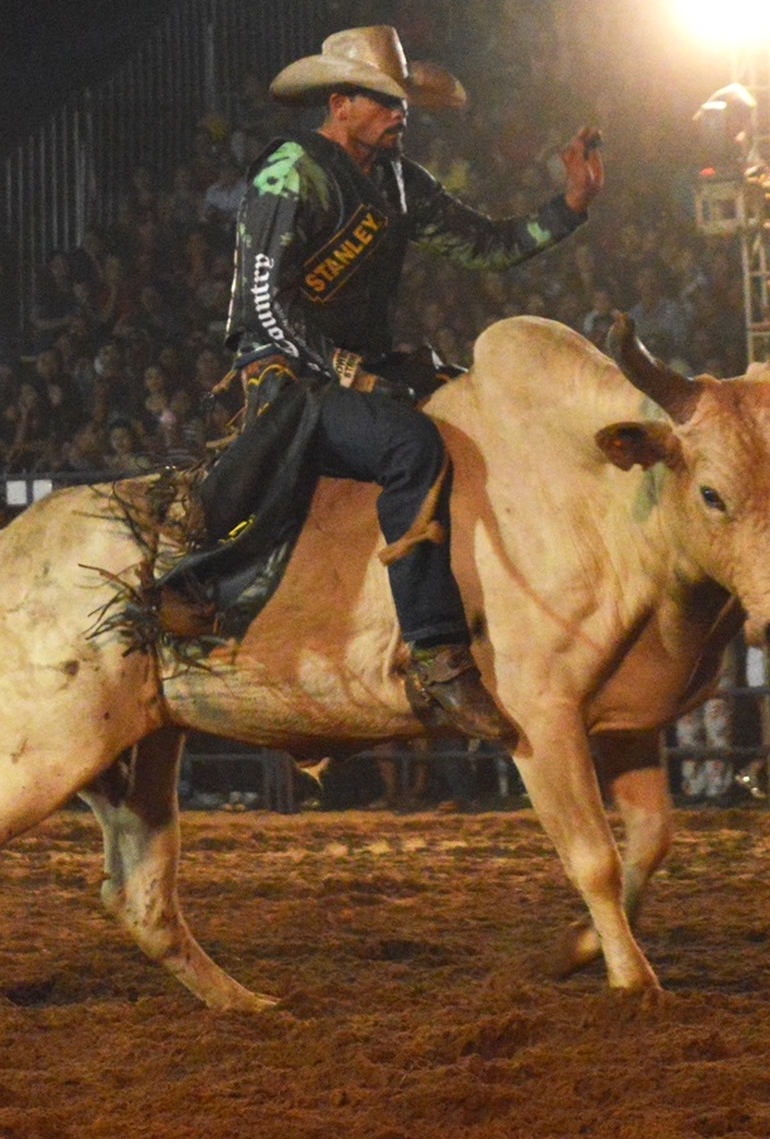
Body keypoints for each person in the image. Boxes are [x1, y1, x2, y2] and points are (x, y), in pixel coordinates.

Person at [192, 24, 602, 742]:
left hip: (358, 369)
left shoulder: (400, 183)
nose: (399, 113)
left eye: (402, 101)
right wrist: (347, 370)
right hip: (287, 375)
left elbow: (487, 247)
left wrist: (567, 204)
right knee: (411, 445)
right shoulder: (290, 170)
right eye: (384, 101)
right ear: (340, 103)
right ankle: (438, 653)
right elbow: (263, 302)